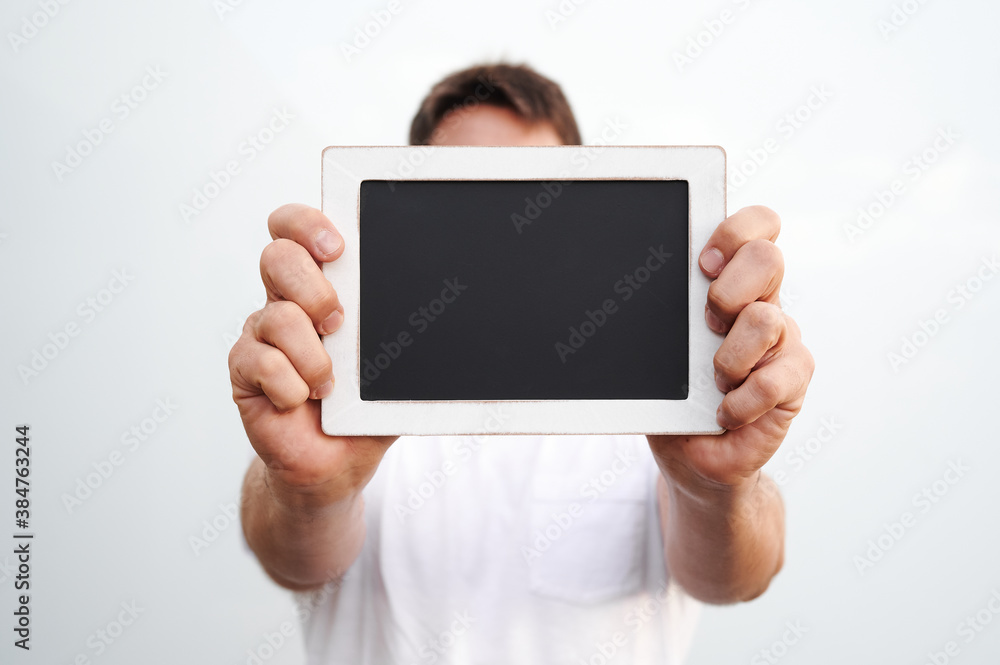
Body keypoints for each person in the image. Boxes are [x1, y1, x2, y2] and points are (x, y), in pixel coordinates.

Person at [229, 63, 814, 663]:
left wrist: (713, 489)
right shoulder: (341, 384)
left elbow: (737, 578)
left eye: (533, 194)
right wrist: (307, 491)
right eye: (468, 193)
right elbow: (292, 559)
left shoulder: (659, 386)